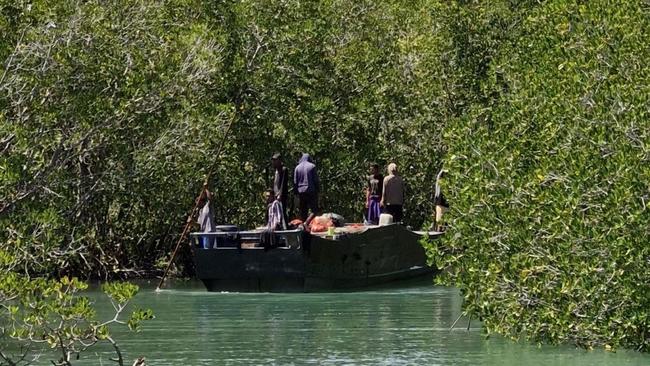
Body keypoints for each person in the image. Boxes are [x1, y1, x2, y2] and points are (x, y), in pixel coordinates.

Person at [293, 153, 319, 226]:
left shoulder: (297, 168)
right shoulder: (312, 166)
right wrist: (318, 190)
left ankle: (303, 228)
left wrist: (296, 194)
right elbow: (315, 180)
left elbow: (295, 182)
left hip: (301, 192)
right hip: (311, 191)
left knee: (303, 211)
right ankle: (306, 223)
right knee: (314, 210)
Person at [271, 152, 289, 222]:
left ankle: (285, 227)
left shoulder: (284, 169)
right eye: (273, 160)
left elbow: (283, 183)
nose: (274, 162)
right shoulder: (276, 170)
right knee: (276, 211)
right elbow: (274, 183)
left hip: (281, 194)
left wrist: (280, 194)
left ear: (279, 160)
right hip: (275, 194)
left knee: (282, 210)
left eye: (275, 160)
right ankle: (277, 225)